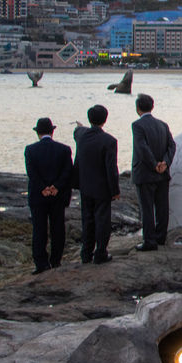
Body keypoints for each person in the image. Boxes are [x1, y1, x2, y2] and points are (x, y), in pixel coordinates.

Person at [24, 117, 73, 275]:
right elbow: (68, 171)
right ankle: (56, 260)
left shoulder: (30, 150)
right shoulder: (64, 149)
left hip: (38, 195)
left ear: (38, 133)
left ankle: (41, 263)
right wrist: (56, 187)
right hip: (58, 195)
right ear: (53, 131)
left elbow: (31, 173)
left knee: (39, 229)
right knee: (58, 227)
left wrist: (43, 188)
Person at [73, 105, 120, 264]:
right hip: (102, 187)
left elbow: (78, 131)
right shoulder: (109, 141)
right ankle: (100, 252)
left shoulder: (81, 136)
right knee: (102, 221)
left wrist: (80, 127)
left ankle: (86, 253)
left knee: (87, 219)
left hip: (85, 185)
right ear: (105, 120)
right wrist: (115, 190)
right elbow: (111, 168)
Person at [131, 93, 176, 251]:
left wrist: (154, 164)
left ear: (138, 109)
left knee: (147, 209)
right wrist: (165, 162)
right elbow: (172, 145)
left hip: (145, 173)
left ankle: (149, 241)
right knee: (162, 207)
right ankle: (160, 237)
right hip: (162, 174)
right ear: (152, 106)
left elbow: (141, 147)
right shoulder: (162, 125)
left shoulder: (137, 126)